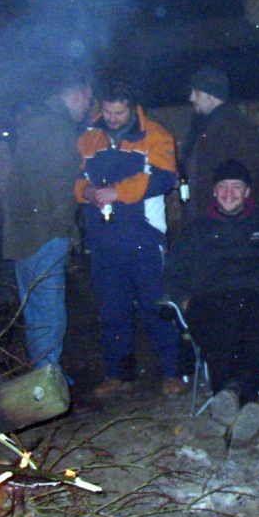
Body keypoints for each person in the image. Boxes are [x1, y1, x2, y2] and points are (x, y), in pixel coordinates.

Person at [166, 159, 259, 445]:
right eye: (223, 187)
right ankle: (244, 399)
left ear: (247, 192)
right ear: (214, 191)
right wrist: (182, 299)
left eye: (236, 187)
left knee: (255, 322)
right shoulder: (197, 228)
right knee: (213, 322)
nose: (229, 193)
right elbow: (174, 271)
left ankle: (227, 401)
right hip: (210, 298)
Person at [75, 80, 184, 399]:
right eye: (107, 112)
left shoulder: (156, 135)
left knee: (156, 306)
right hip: (103, 239)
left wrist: (118, 192)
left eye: (119, 113)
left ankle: (172, 371)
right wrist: (87, 191)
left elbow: (164, 178)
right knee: (112, 310)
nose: (111, 118)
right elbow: (79, 178)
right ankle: (118, 374)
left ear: (133, 109)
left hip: (144, 237)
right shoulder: (90, 136)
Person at [0, 74, 91, 374]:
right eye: (88, 100)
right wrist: (67, 229)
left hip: (25, 232)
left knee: (36, 310)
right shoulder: (58, 127)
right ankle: (49, 379)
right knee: (48, 311)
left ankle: (43, 375)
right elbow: (59, 187)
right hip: (45, 234)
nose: (87, 108)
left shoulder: (36, 121)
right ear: (78, 95)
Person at [180, 67, 259, 225]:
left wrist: (232, 217)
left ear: (211, 95)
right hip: (206, 220)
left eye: (197, 93)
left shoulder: (235, 128)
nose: (191, 98)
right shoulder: (205, 126)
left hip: (226, 222)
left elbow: (249, 178)